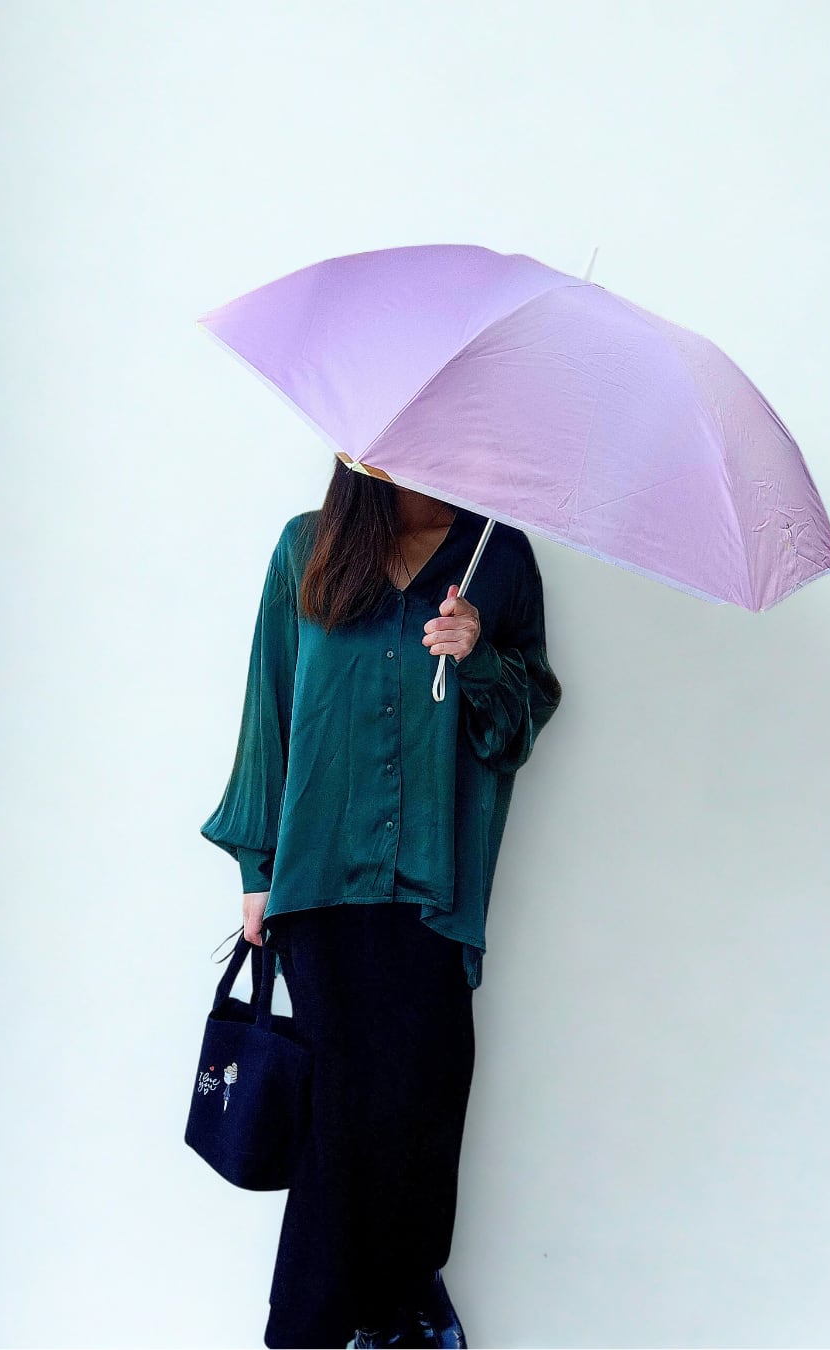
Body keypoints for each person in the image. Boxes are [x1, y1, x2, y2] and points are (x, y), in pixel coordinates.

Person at [200, 456, 562, 1349]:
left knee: (425, 1100)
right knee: (340, 1117)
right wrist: (256, 869)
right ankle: (348, 1324)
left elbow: (518, 726)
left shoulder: (496, 557)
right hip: (320, 884)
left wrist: (479, 657)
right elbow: (269, 707)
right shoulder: (308, 550)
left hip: (434, 891)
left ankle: (389, 1305)